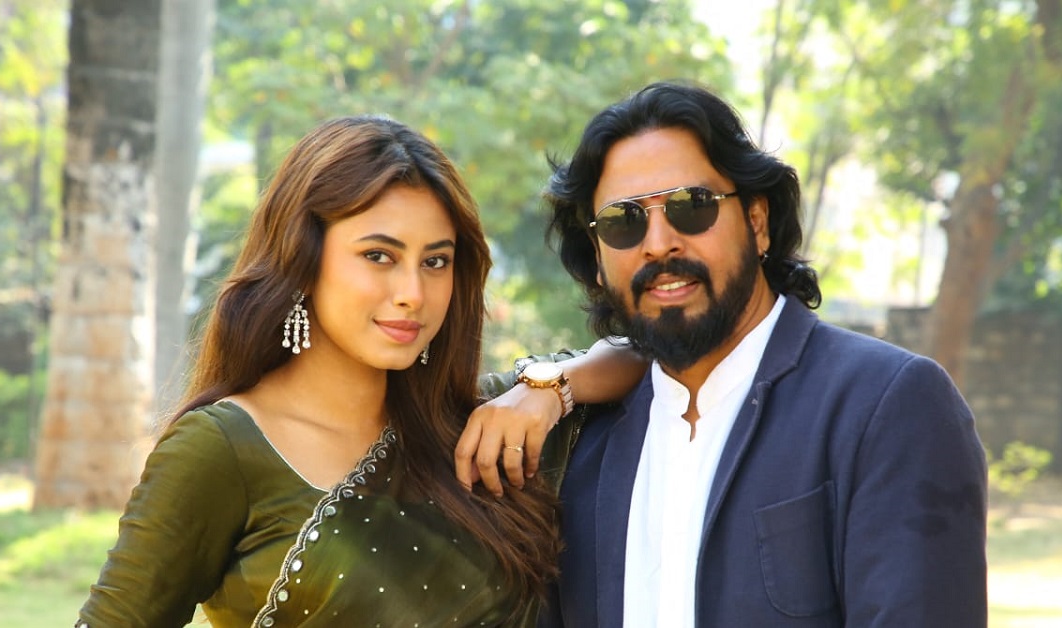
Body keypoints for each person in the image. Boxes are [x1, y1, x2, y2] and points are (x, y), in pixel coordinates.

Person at [75, 115, 645, 628]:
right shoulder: (223, 449)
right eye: (379, 256)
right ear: (303, 259)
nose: (412, 293)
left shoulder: (480, 424)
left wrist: (549, 389)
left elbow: (651, 355)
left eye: (436, 261)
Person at [465, 82, 989, 627]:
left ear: (757, 222)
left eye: (691, 206)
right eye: (624, 221)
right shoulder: (579, 449)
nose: (658, 243)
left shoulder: (885, 405)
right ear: (597, 260)